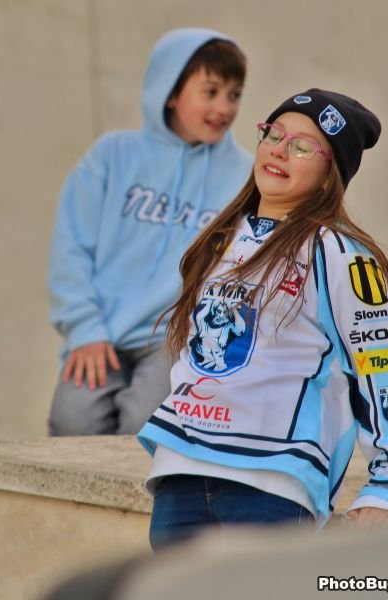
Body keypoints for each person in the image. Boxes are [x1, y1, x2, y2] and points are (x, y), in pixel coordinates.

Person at [137, 88, 388, 550]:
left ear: (329, 176)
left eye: (302, 146)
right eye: (273, 135)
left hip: (271, 481)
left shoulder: (338, 252)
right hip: (181, 469)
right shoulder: (217, 240)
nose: (279, 150)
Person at [48, 28, 252, 436]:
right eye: (210, 92)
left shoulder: (244, 174)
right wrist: (84, 329)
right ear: (170, 92)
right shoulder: (112, 155)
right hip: (100, 328)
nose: (224, 108)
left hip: (177, 335)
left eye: (234, 95)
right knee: (72, 422)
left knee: (148, 426)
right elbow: (71, 247)